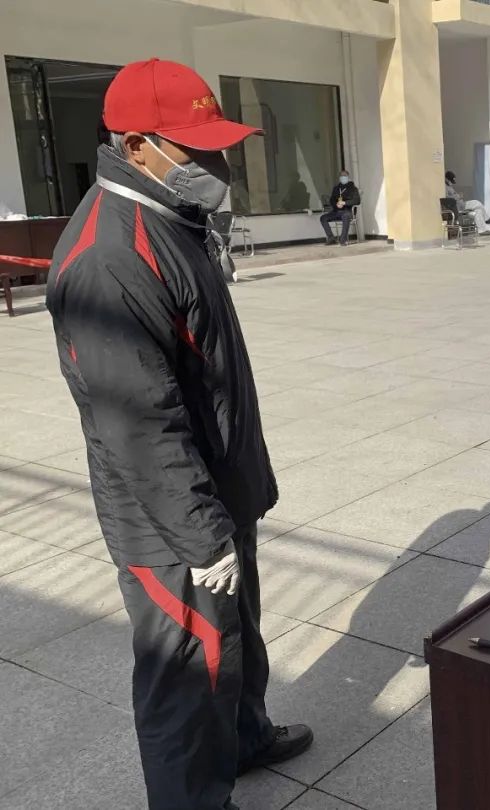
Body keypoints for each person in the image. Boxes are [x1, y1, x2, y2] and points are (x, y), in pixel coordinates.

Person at [45, 58, 312, 810]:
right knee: (190, 672)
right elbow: (137, 421)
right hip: (169, 519)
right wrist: (201, 534)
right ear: (136, 147)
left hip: (218, 490)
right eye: (196, 150)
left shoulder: (170, 216)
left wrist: (237, 501)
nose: (218, 167)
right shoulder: (108, 258)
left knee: (237, 636)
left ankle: (247, 737)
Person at [445, 170, 490, 235]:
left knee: (478, 211)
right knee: (477, 202)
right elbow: (447, 197)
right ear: (447, 179)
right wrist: (458, 196)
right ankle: (487, 219)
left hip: (461, 204)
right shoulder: (444, 187)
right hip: (459, 207)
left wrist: (458, 196)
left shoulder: (449, 187)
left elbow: (453, 195)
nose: (452, 183)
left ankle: (482, 230)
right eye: (451, 181)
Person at [319, 169, 361, 245]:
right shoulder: (336, 188)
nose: (343, 177)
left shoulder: (353, 189)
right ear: (339, 177)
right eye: (341, 176)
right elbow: (332, 200)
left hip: (347, 211)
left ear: (348, 177)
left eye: (345, 175)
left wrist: (344, 203)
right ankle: (331, 238)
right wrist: (336, 204)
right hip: (336, 211)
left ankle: (343, 239)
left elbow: (357, 201)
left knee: (345, 216)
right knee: (323, 218)